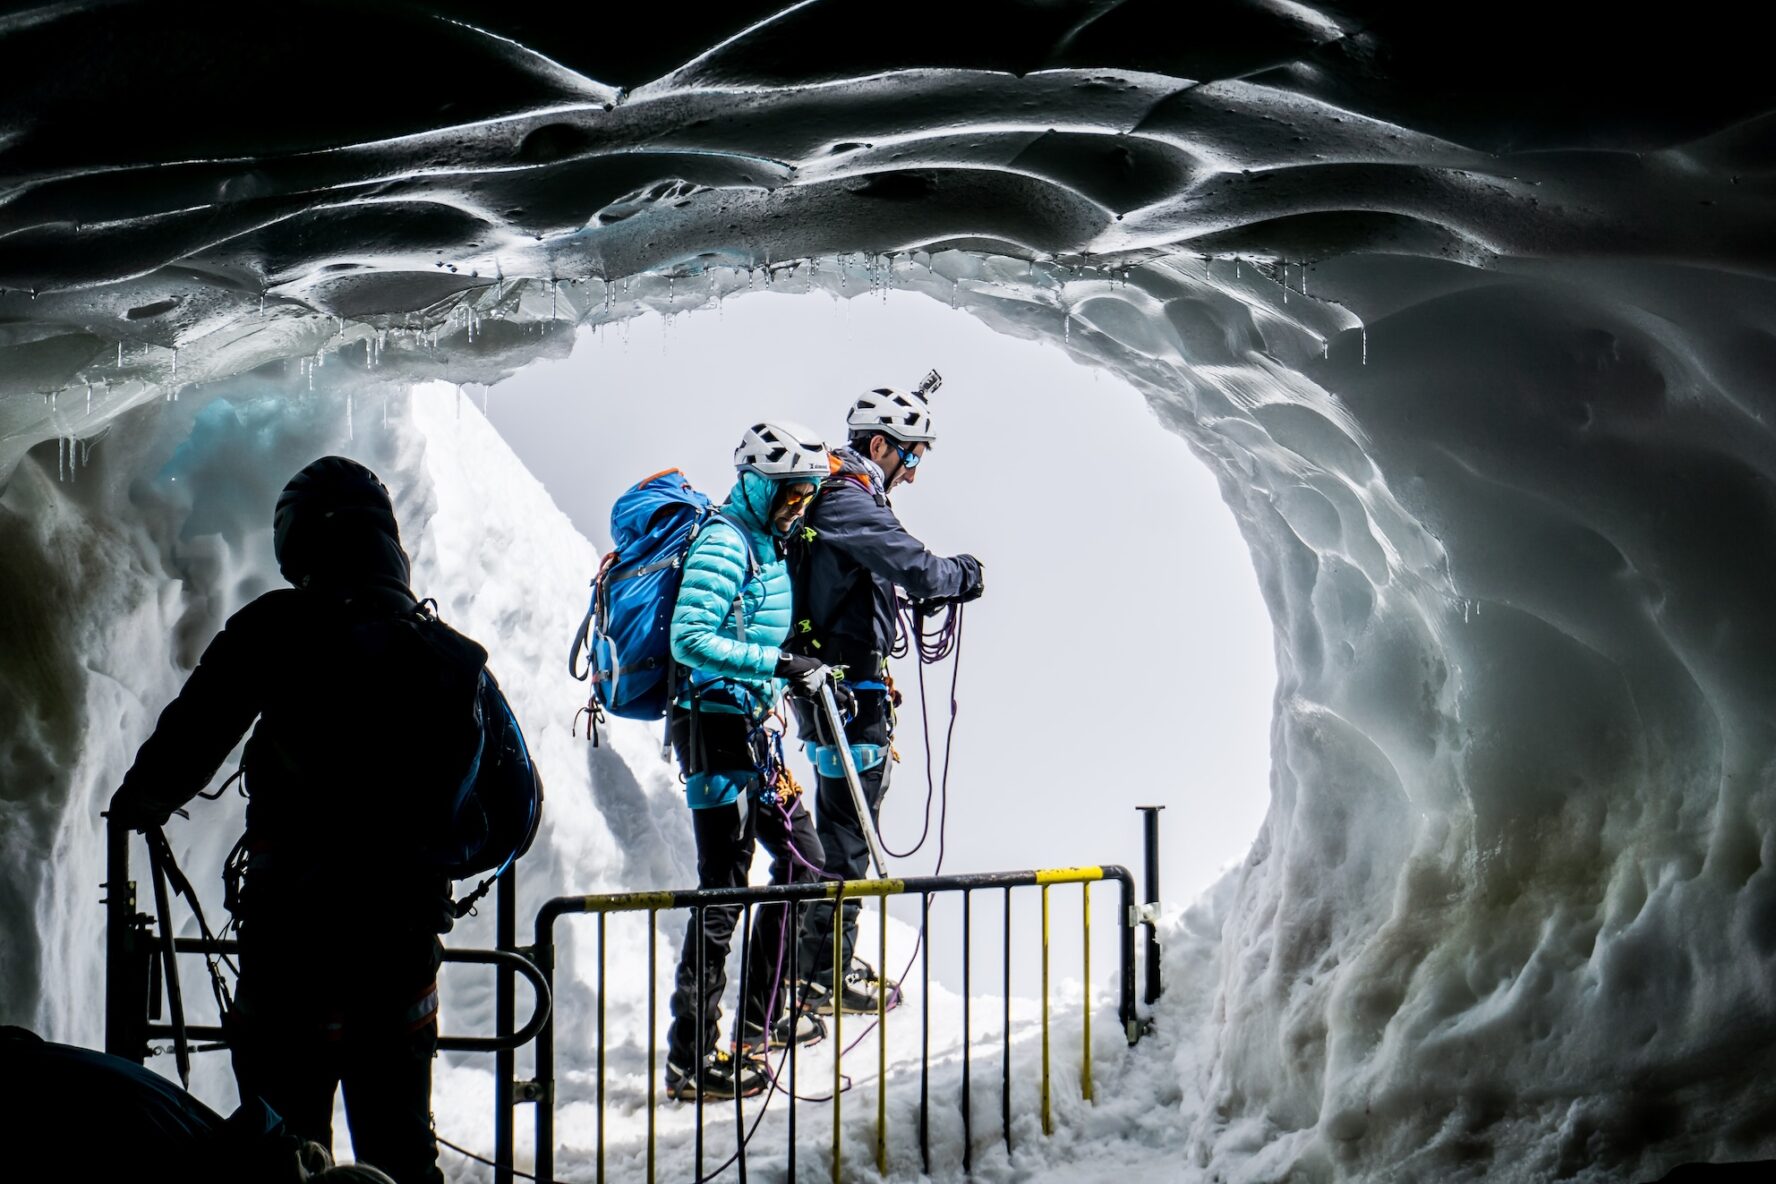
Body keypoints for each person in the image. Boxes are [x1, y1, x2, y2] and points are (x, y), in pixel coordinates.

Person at [107, 456, 457, 1184]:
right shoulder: (438, 651)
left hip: (296, 949)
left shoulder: (281, 625)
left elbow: (190, 739)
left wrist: (136, 805)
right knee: (402, 1152)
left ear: (300, 540)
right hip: (402, 952)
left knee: (281, 1157)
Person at [787, 382, 984, 1016]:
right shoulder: (848, 497)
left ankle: (824, 962)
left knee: (845, 829)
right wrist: (963, 575)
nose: (916, 472)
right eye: (914, 456)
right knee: (848, 836)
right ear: (880, 445)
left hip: (838, 690)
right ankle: (821, 976)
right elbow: (918, 566)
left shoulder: (842, 494)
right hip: (848, 694)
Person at [662, 420, 836, 1101]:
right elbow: (690, 638)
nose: (799, 508)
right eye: (792, 494)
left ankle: (759, 1023)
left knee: (805, 859)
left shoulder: (764, 540)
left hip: (749, 733)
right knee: (723, 892)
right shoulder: (723, 541)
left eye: (805, 497)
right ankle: (692, 1058)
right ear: (761, 485)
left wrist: (792, 672)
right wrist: (779, 661)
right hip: (713, 732)